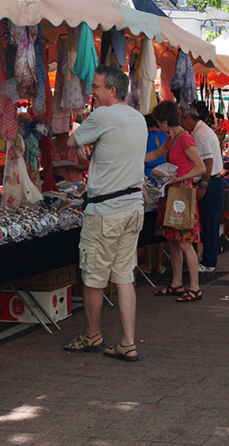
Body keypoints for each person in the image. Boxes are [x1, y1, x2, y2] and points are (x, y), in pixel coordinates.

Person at [64, 65, 147, 361]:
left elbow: (72, 141)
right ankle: (128, 341)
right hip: (133, 208)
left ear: (112, 90)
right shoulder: (138, 118)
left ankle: (92, 336)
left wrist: (82, 135)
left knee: (94, 277)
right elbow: (114, 148)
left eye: (97, 87)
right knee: (124, 276)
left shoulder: (101, 116)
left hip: (105, 210)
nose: (92, 92)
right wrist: (95, 144)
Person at [146, 101, 206, 302]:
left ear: (165, 120)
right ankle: (177, 283)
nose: (158, 126)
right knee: (172, 240)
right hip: (172, 192)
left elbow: (200, 167)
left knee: (184, 242)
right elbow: (157, 154)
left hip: (181, 194)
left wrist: (178, 178)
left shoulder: (184, 139)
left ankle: (195, 287)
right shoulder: (172, 138)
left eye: (158, 122)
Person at [180, 107, 225, 273]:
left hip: (210, 183)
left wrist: (203, 185)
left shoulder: (199, 133)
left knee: (209, 224)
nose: (182, 125)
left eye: (182, 121)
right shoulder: (204, 130)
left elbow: (208, 161)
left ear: (189, 118)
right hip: (214, 182)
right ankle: (209, 259)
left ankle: (209, 262)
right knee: (210, 223)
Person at [141, 113, 168, 274]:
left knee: (148, 223)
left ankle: (148, 264)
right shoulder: (165, 136)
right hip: (163, 179)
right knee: (160, 222)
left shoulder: (143, 137)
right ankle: (159, 264)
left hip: (147, 180)